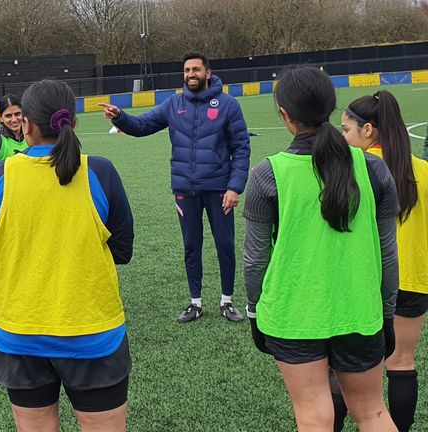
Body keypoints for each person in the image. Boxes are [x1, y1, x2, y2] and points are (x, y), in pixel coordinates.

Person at [0, 79, 134, 432]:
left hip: (19, 335)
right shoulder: (99, 172)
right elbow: (123, 251)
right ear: (73, 122)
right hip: (92, 333)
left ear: (26, 124)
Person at [243, 66, 399, 432]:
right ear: (331, 108)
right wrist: (387, 311)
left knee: (314, 416)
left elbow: (254, 259)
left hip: (293, 316)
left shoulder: (267, 174)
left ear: (284, 114)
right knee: (373, 412)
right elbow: (388, 254)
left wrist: (253, 312)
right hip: (360, 312)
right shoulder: (373, 168)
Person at [99, 51, 250, 323]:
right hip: (185, 189)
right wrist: (119, 116)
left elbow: (241, 148)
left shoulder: (228, 105)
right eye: (187, 70)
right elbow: (142, 125)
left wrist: (235, 187)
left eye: (196, 69)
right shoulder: (173, 104)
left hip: (219, 190)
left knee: (225, 245)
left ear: (208, 73)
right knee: (191, 246)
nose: (191, 74)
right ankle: (195, 303)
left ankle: (227, 300)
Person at [338, 90, 428, 432]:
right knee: (402, 363)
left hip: (368, 279)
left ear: (368, 130)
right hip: (415, 277)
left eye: (346, 129)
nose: (343, 137)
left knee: (346, 370)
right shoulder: (422, 169)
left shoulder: (357, 169)